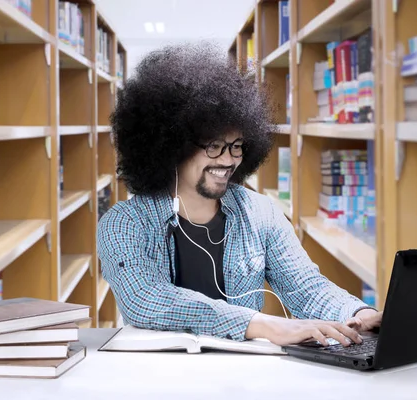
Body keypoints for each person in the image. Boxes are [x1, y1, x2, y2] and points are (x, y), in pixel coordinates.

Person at [97, 42, 382, 347]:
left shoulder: (260, 212)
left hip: (244, 378)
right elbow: (145, 299)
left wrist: (358, 312)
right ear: (171, 147)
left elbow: (305, 287)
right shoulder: (123, 223)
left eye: (237, 146)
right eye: (214, 146)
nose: (228, 160)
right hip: (158, 376)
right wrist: (261, 325)